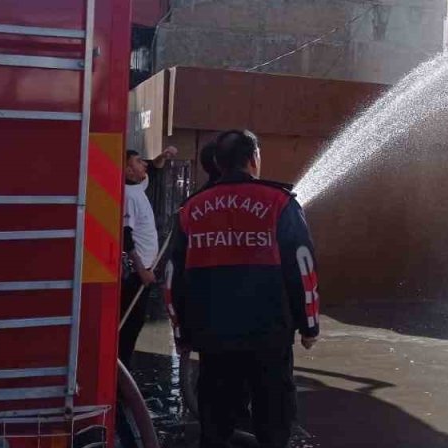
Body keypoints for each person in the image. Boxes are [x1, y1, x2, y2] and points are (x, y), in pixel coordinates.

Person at [169, 129, 319, 448]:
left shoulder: (191, 210)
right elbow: (303, 268)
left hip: (214, 338)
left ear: (220, 164)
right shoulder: (280, 202)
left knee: (215, 423)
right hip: (269, 337)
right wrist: (309, 326)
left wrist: (181, 333)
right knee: (273, 422)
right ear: (253, 159)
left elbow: (173, 278)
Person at [120, 145, 176, 368]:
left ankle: (124, 365)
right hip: (137, 273)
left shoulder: (137, 187)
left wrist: (162, 157)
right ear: (127, 170)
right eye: (138, 162)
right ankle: (121, 367)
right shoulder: (128, 197)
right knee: (130, 323)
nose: (144, 164)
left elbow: (154, 170)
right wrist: (142, 269)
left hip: (147, 268)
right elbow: (126, 237)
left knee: (137, 321)